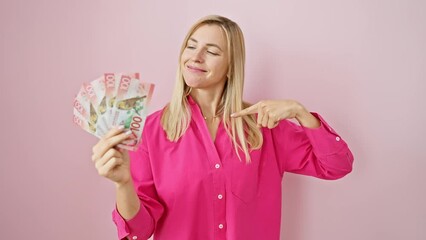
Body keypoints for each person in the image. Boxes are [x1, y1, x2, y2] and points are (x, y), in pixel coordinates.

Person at [91, 15, 354, 240]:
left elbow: (337, 165)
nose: (196, 57)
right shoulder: (151, 131)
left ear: (231, 67)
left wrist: (299, 112)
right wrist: (123, 184)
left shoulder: (265, 127)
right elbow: (139, 231)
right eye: (190, 46)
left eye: (212, 51)